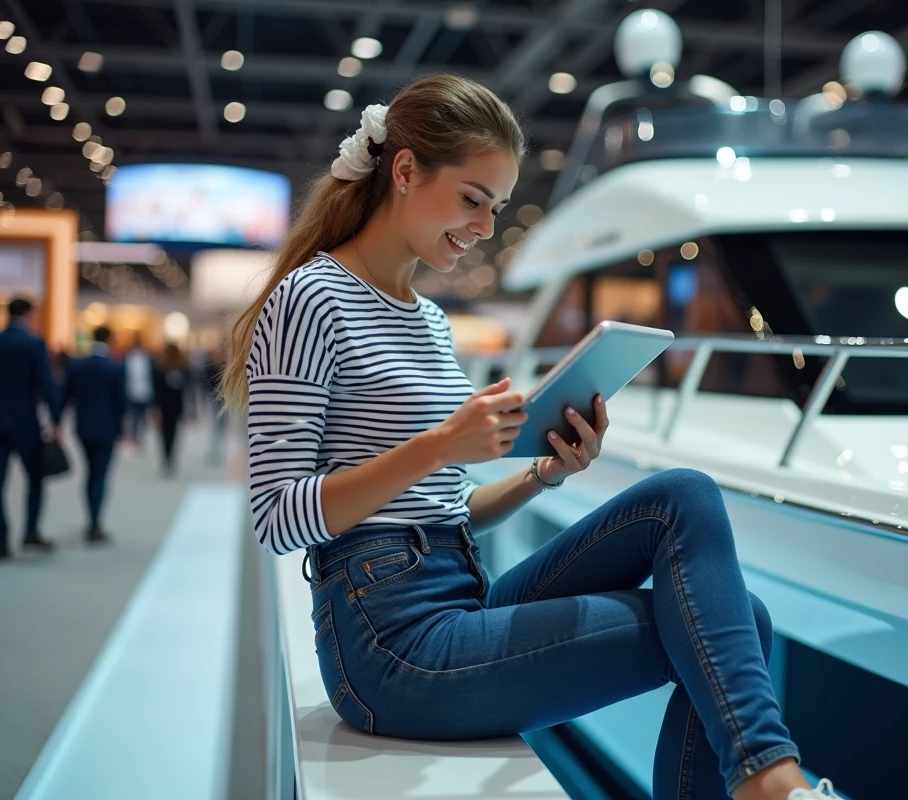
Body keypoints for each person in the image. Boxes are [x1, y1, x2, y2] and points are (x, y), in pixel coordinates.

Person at [220, 76, 836, 800]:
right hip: (388, 648)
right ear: (407, 169)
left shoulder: (427, 319)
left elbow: (445, 509)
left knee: (685, 502)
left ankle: (765, 775)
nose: (484, 228)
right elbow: (275, 515)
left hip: (459, 596)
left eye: (496, 207)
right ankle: (768, 777)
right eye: (473, 200)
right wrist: (439, 446)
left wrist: (543, 473)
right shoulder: (309, 298)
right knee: (722, 629)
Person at [0, 297, 63, 559]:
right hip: (26, 423)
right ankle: (30, 531)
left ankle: (0, 543)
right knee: (35, 479)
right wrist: (56, 420)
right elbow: (46, 385)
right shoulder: (33, 344)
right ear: (27, 315)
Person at [62, 325, 124, 543]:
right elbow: (120, 402)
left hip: (84, 427)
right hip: (107, 429)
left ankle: (91, 519)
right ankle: (95, 523)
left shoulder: (78, 365)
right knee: (100, 475)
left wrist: (57, 423)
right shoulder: (114, 367)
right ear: (109, 340)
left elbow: (66, 396)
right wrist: (122, 430)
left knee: (90, 474)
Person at [153, 343, 188, 475]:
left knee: (167, 433)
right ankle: (169, 456)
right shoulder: (163, 368)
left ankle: (168, 456)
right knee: (170, 432)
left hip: (168, 406)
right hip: (172, 406)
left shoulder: (180, 367)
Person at [123, 335, 154, 445]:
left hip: (144, 391)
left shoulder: (146, 358)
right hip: (132, 391)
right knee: (134, 415)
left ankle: (140, 436)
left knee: (141, 415)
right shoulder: (129, 357)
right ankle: (135, 436)